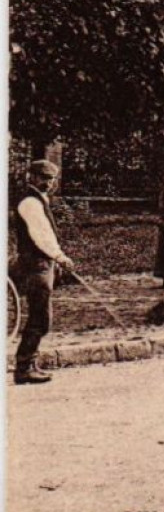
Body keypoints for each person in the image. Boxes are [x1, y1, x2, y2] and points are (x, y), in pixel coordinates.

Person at [10, 160, 74, 385]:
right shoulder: (29, 202)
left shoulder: (39, 200)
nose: (49, 183)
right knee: (40, 317)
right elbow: (41, 235)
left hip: (42, 263)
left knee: (42, 316)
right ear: (32, 177)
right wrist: (59, 256)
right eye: (44, 178)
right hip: (36, 264)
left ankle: (30, 363)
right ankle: (24, 366)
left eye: (52, 179)